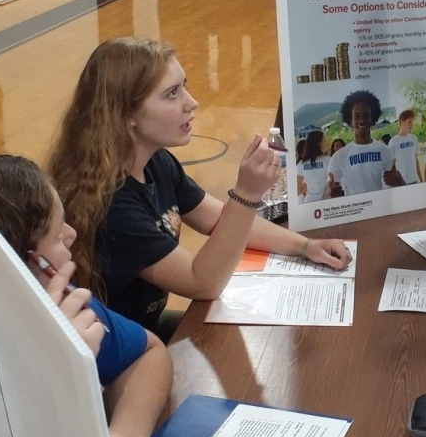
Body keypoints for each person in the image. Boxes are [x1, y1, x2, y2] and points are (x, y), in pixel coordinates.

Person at [47, 38, 352, 339]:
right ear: (127, 116)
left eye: (184, 87)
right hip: (123, 348)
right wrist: (247, 194)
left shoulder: (156, 161)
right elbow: (203, 282)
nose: (191, 102)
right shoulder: (113, 205)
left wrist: (304, 246)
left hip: (145, 329)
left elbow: (218, 217)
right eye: (172, 94)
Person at [0, 154, 172, 437]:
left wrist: (128, 433)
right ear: (27, 265)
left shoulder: (58, 301)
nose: (72, 234)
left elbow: (147, 353)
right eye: (58, 236)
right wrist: (56, 369)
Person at [326, 89, 404, 196]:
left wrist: (399, 181)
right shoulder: (339, 157)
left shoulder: (386, 151)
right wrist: (331, 194)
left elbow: (401, 193)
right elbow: (330, 192)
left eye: (366, 115)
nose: (362, 120)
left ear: (372, 119)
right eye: (357, 116)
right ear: (351, 122)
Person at [388, 109, 423, 184]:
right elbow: (391, 165)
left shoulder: (413, 138)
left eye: (412, 122)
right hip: (401, 183)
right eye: (409, 122)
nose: (412, 125)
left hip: (414, 181)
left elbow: (416, 160)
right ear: (402, 122)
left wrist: (421, 180)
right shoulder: (393, 142)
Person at [297, 129, 329, 203]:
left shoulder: (301, 164)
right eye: (324, 140)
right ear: (319, 143)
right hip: (326, 202)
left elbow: (297, 191)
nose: (326, 142)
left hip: (309, 203)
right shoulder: (328, 161)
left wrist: (306, 185)